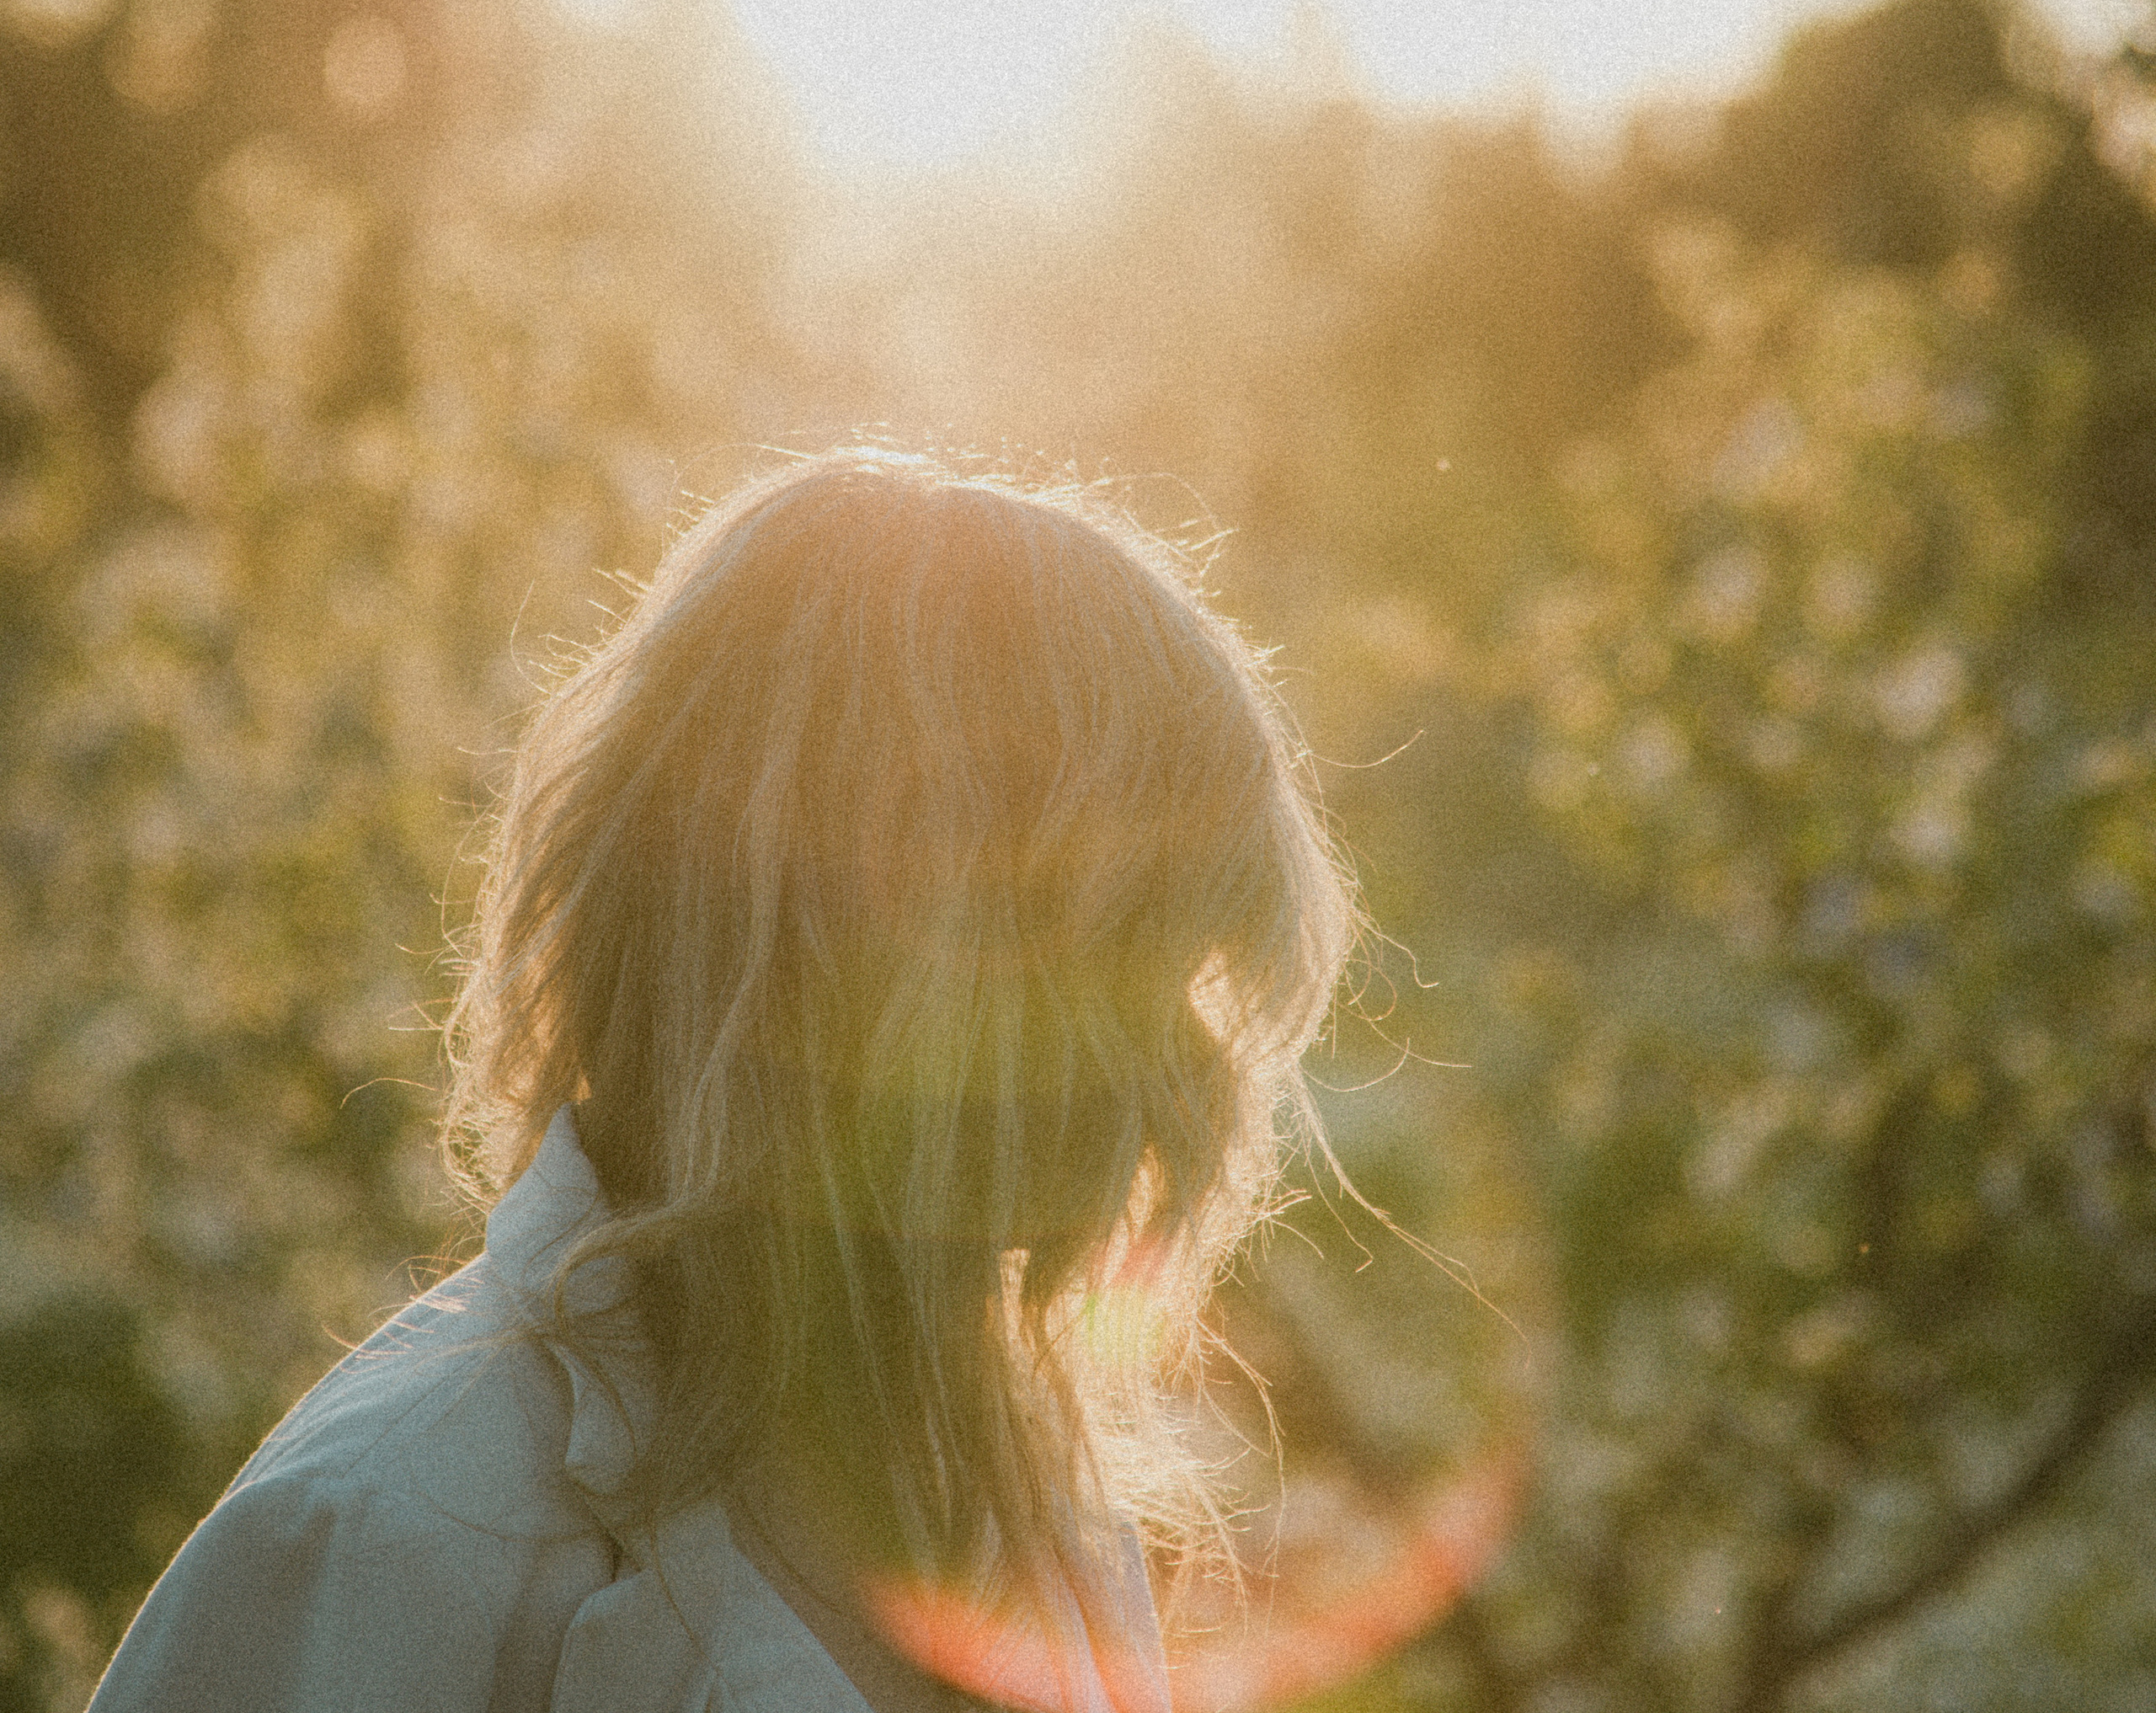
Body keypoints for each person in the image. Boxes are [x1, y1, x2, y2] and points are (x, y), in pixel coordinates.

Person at [88, 446, 1358, 1713]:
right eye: (1117, 952)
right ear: (806, 936)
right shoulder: (395, 1540)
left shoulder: (1029, 1510)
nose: (1186, 1066)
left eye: (1192, 970)